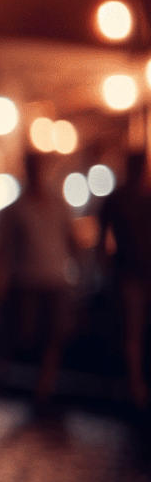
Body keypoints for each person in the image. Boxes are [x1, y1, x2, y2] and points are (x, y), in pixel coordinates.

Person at [0, 152, 79, 407]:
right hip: (27, 280)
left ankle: (43, 386)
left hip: (55, 278)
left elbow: (71, 238)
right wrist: (2, 278)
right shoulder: (16, 209)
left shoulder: (57, 204)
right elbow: (5, 247)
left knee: (54, 334)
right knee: (24, 333)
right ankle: (5, 371)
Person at [98, 150, 151, 411]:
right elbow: (101, 240)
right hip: (130, 274)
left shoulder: (132, 198)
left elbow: (100, 242)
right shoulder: (120, 199)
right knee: (133, 329)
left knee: (134, 329)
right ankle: (136, 385)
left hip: (134, 273)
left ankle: (136, 383)